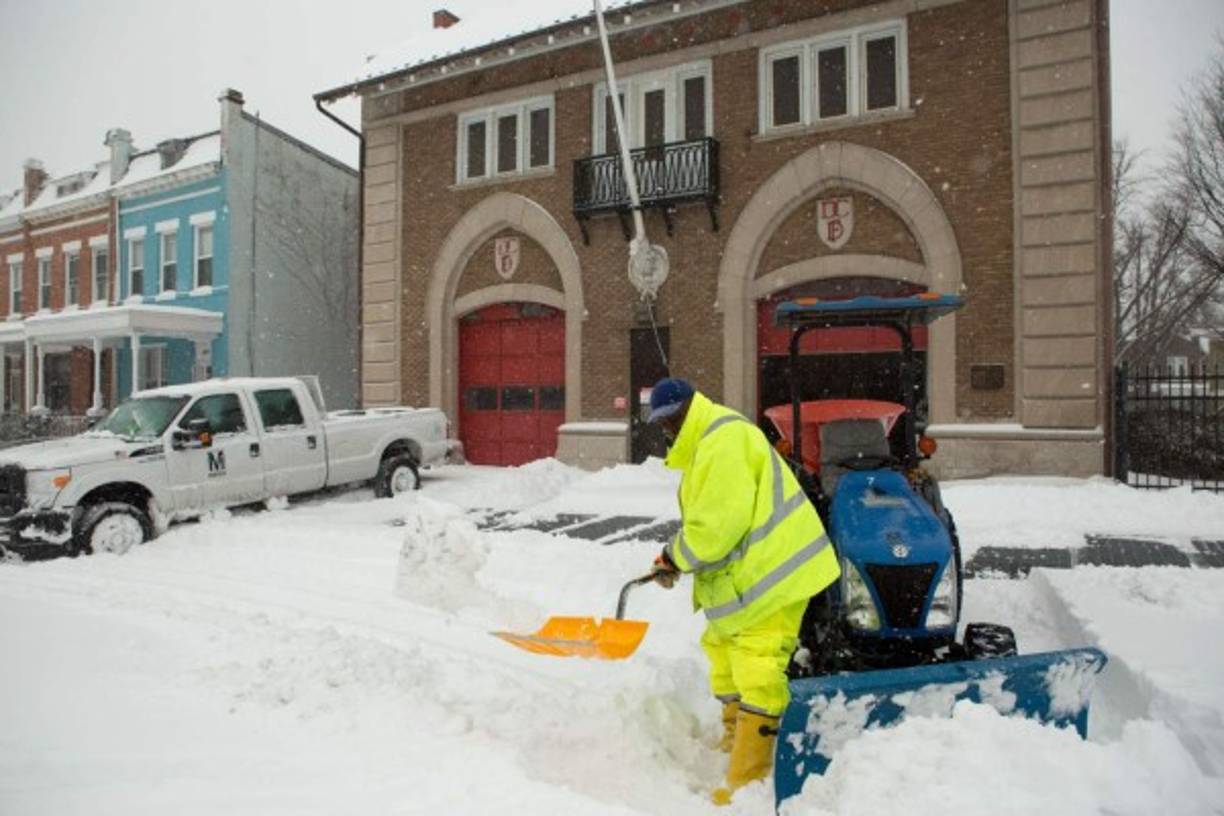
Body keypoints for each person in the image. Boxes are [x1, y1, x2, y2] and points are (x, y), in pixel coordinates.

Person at [646, 377, 840, 805]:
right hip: (744, 579)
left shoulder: (723, 439)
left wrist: (675, 555)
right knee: (723, 657)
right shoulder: (706, 444)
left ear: (687, 411)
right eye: (661, 423)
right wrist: (675, 559)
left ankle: (749, 776)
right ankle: (735, 744)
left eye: (669, 420)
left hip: (773, 576)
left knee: (757, 668)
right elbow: (714, 528)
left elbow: (715, 529)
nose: (666, 430)